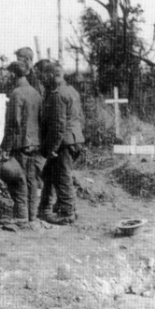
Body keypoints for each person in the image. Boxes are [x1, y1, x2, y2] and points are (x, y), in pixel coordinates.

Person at [40, 62, 85, 225]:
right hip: (75, 138)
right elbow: (80, 117)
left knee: (62, 177)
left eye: (46, 75)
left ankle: (67, 213)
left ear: (52, 76)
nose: (44, 78)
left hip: (64, 142)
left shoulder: (57, 94)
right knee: (52, 174)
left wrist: (52, 149)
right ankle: (63, 208)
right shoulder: (72, 91)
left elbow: (58, 125)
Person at [0, 61, 44, 222]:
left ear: (13, 74)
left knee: (18, 180)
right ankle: (32, 215)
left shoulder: (17, 94)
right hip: (35, 143)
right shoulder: (36, 93)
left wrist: (5, 148)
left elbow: (13, 124)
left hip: (20, 144)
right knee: (32, 180)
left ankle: (21, 216)